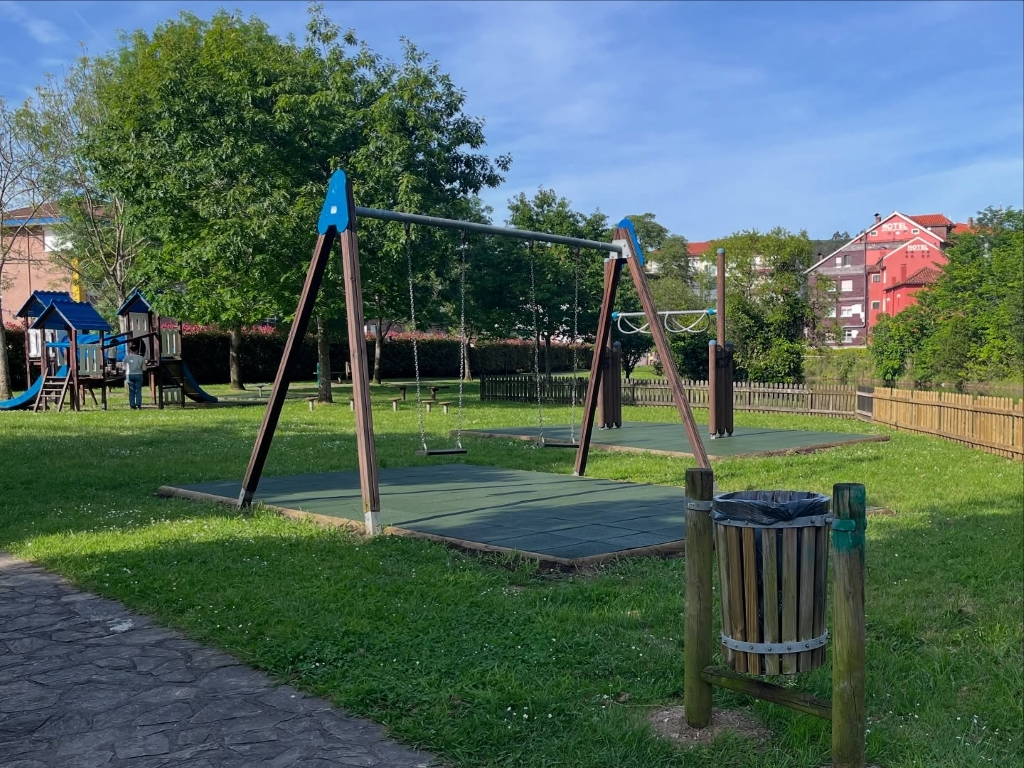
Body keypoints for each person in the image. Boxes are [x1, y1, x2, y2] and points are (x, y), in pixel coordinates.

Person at [124, 343, 146, 410]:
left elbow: (124, 368)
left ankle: (132, 405)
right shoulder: (141, 358)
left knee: (131, 391)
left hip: (129, 375)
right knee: (138, 390)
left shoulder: (126, 357)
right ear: (137, 350)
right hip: (139, 374)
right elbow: (144, 368)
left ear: (130, 350)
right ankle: (138, 404)